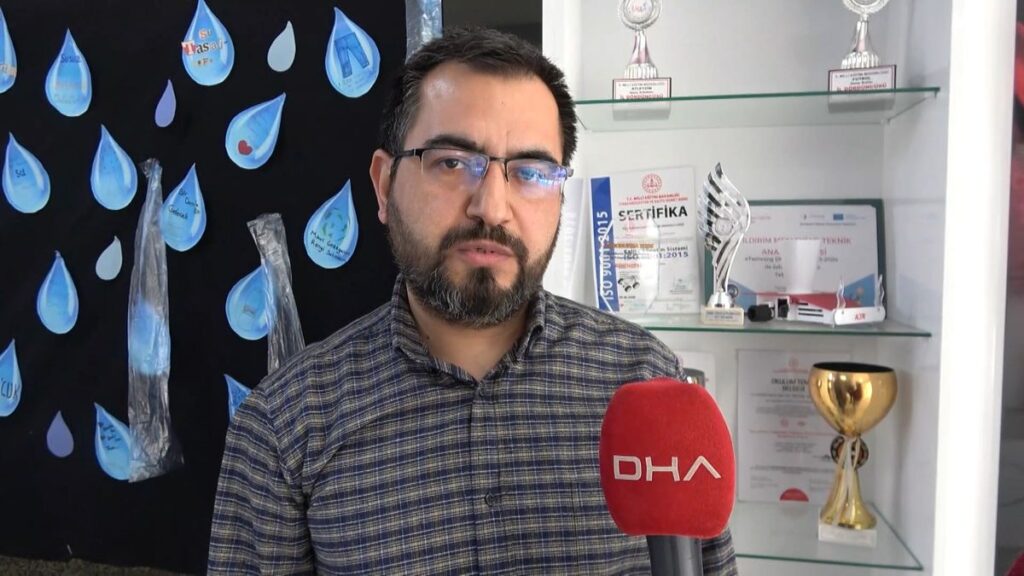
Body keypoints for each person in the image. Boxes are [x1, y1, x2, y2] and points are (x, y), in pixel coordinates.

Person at [208, 27, 737, 575]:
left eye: (531, 173)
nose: (492, 207)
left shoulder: (648, 386)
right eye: (453, 162)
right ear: (384, 185)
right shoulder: (285, 426)